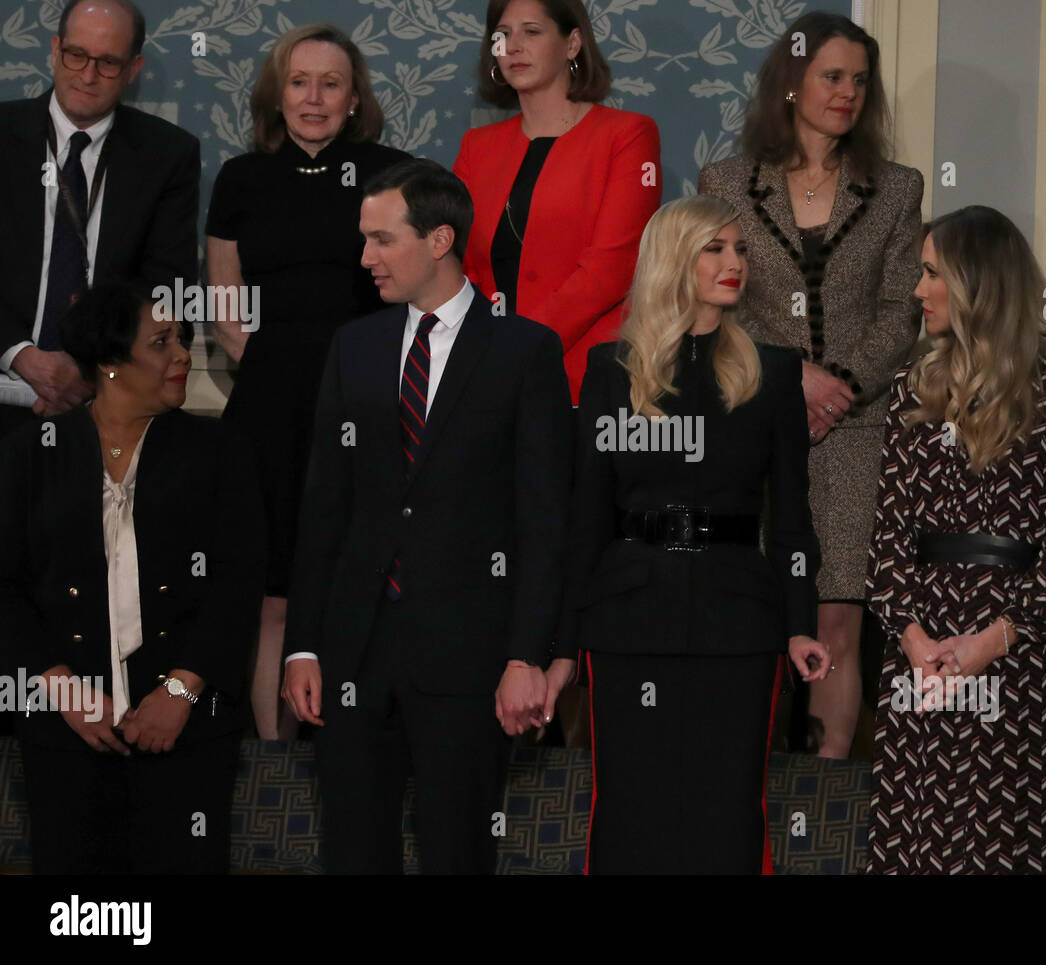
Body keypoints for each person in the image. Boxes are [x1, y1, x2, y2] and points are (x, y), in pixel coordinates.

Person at [281, 159, 573, 874]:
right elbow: (324, 506)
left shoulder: (524, 350)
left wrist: (525, 655)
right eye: (364, 240)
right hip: (354, 653)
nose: (365, 258)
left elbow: (545, 521)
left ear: (440, 239)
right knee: (352, 850)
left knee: (457, 850)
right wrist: (303, 646)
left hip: (470, 660)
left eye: (382, 240)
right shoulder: (356, 346)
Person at [553, 196, 830, 874]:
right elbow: (585, 518)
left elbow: (792, 516)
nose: (734, 263)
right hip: (626, 617)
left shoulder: (774, 372)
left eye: (738, 249)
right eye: (715, 249)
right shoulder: (609, 372)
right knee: (630, 804)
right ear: (673, 261)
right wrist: (560, 644)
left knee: (729, 805)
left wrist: (800, 623)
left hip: (739, 618)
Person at [698, 11, 922, 758]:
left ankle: (825, 792)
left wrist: (843, 385)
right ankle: (750, 783)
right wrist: (792, 378)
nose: (849, 93)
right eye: (833, 76)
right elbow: (711, 301)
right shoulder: (724, 184)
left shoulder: (896, 189)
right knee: (758, 611)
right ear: (790, 83)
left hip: (856, 432)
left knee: (836, 619)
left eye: (861, 80)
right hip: (756, 421)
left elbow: (901, 309)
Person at [865, 206, 1046, 874]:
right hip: (924, 660)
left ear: (978, 285)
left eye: (932, 272)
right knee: (919, 844)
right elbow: (887, 543)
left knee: (1015, 848)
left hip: (1022, 657)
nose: (918, 290)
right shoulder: (911, 391)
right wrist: (917, 644)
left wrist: (994, 640)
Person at [0, 282, 266, 873]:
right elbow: (6, 588)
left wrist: (178, 693)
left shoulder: (218, 450)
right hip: (64, 731)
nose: (181, 356)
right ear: (111, 361)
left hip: (187, 730)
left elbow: (237, 584)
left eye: (183, 340)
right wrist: (63, 690)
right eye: (162, 341)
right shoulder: (32, 453)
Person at [205, 24, 409, 740]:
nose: (313, 97)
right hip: (269, 400)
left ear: (355, 99)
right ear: (278, 94)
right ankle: (272, 753)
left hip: (371, 394)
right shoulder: (240, 178)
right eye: (299, 82)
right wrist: (277, 363)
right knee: (272, 590)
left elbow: (413, 290)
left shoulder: (394, 174)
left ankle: (361, 739)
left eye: (330, 83)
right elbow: (226, 307)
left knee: (367, 578)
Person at [0, 0, 199, 440]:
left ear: (133, 68)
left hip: (106, 406)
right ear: (55, 49)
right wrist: (20, 354)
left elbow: (170, 294)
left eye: (108, 63)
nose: (88, 75)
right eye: (76, 55)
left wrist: (92, 365)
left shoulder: (168, 155)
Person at [452, 0, 661, 402]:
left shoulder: (628, 135)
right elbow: (458, 265)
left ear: (572, 44)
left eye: (531, 31)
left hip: (587, 377)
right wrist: (478, 349)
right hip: (484, 375)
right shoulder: (476, 147)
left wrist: (515, 350)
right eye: (503, 34)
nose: (513, 46)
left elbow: (609, 271)